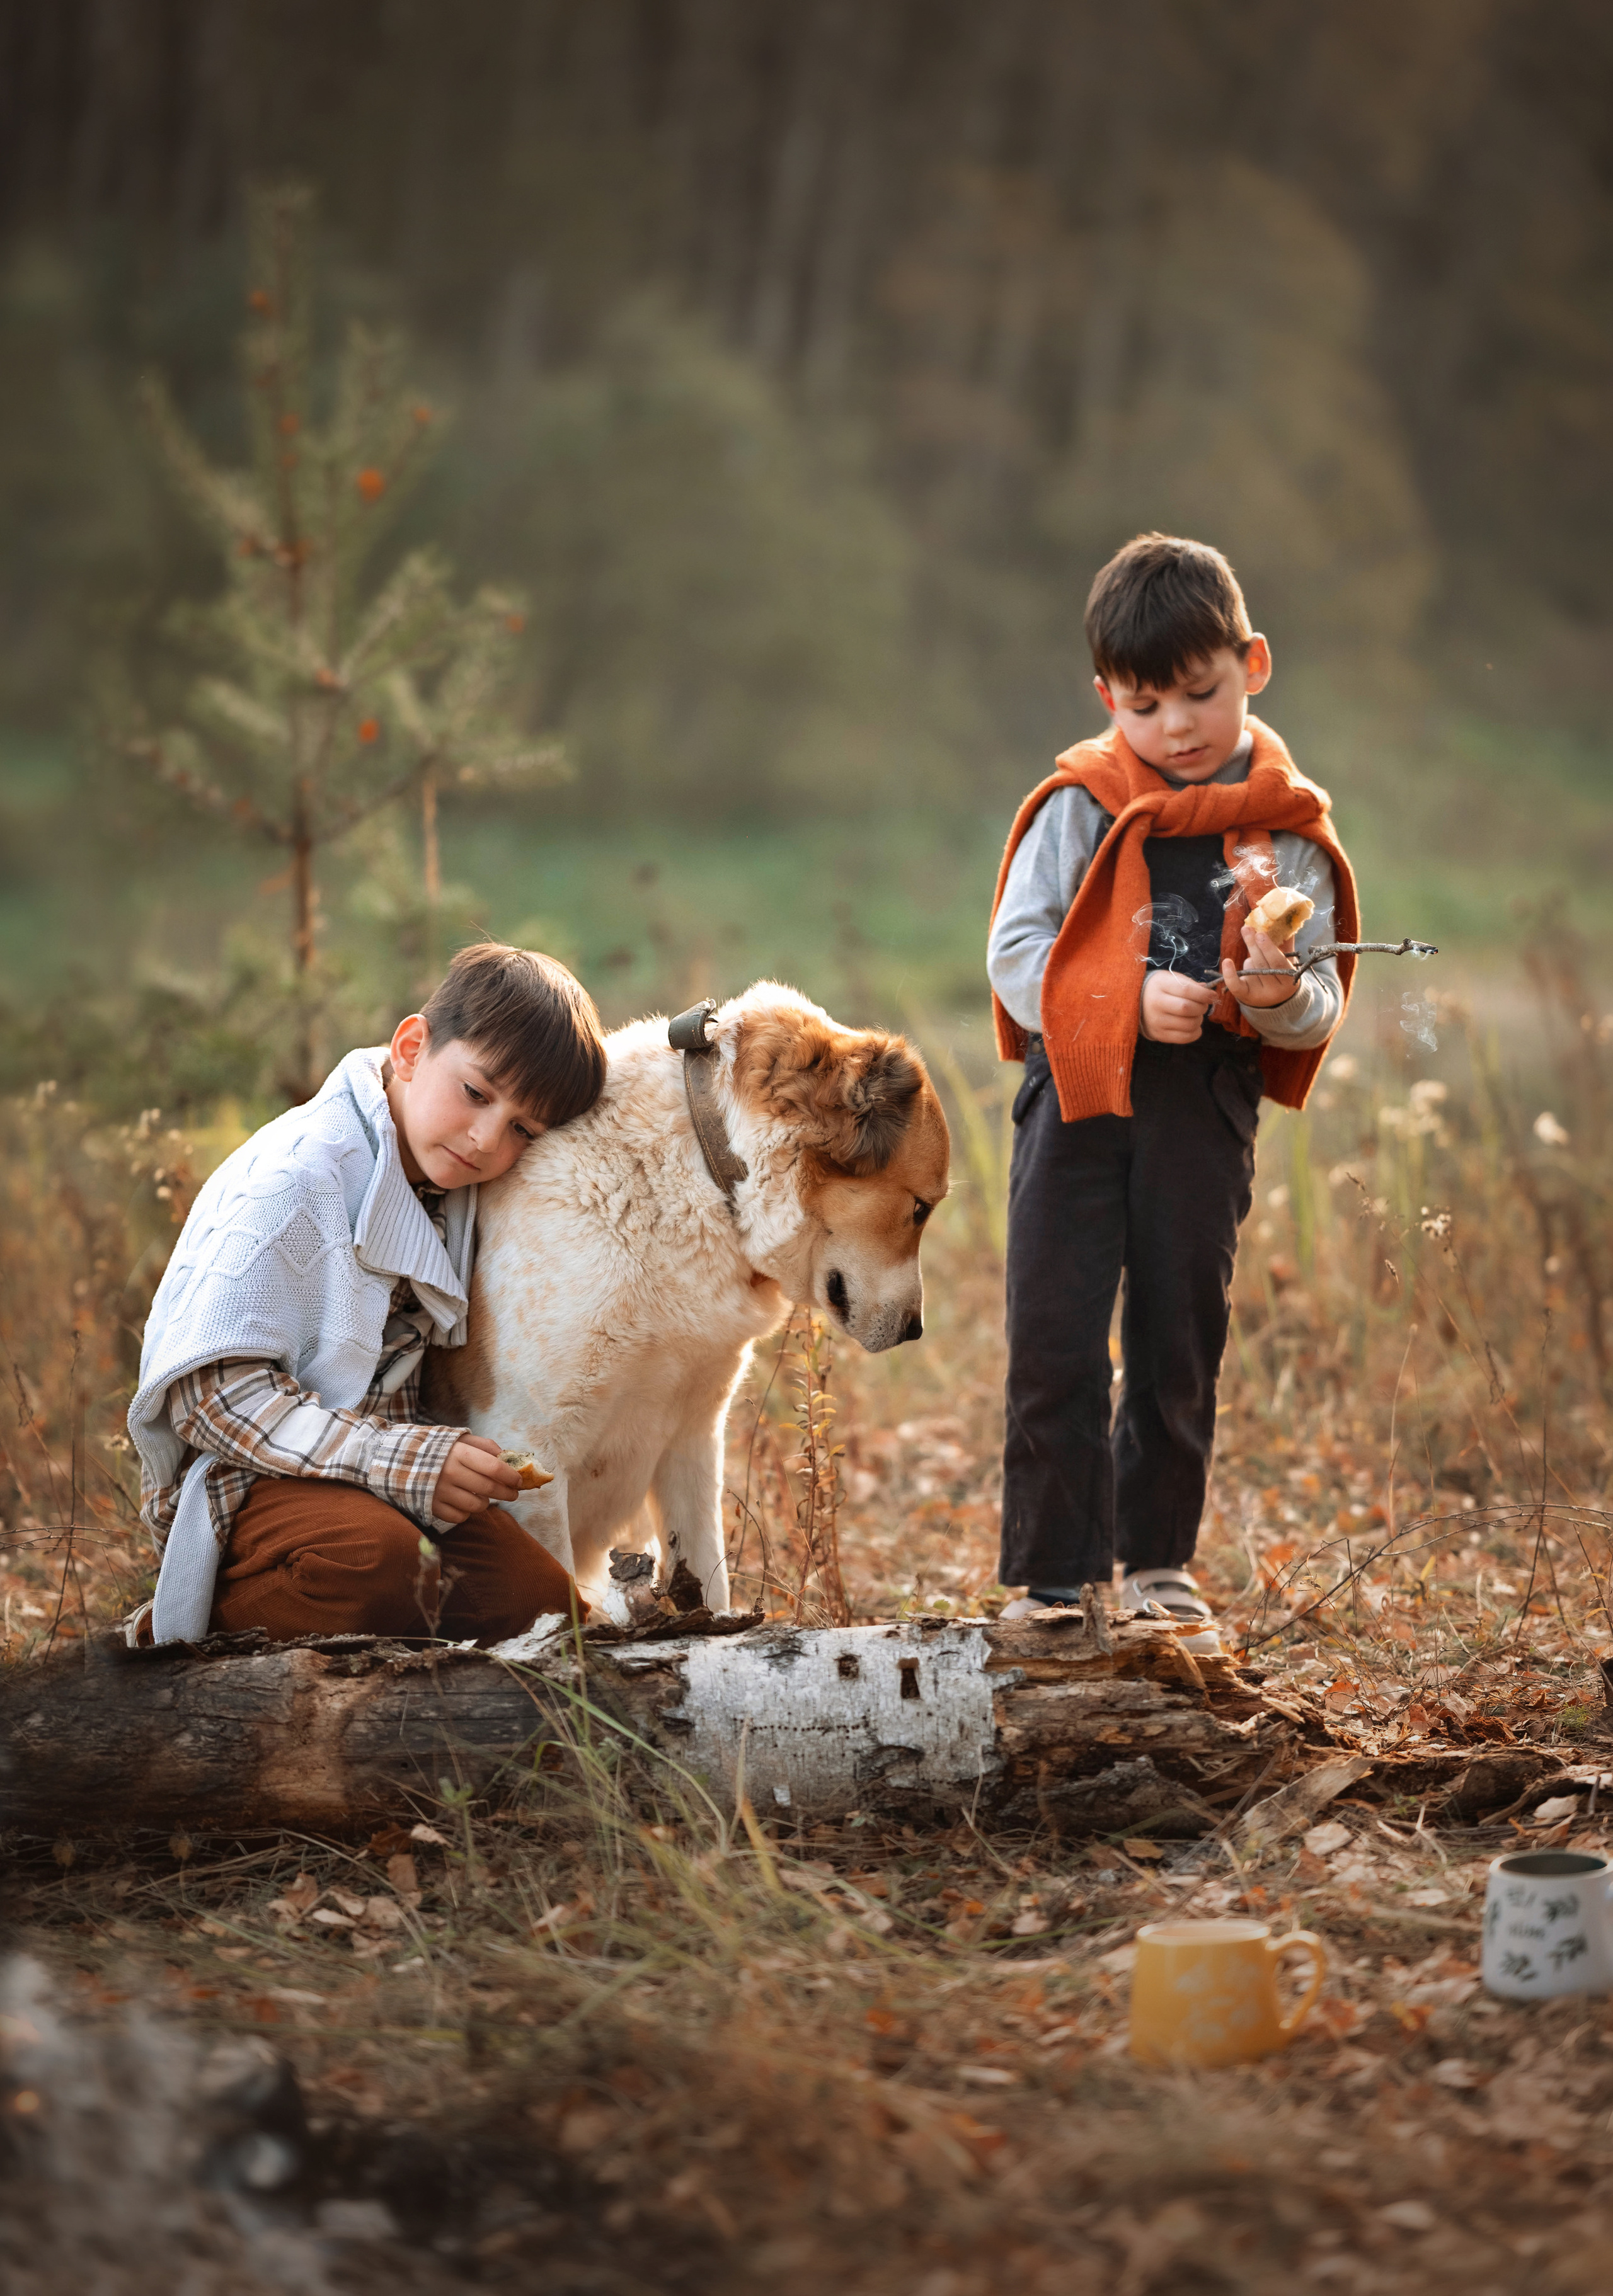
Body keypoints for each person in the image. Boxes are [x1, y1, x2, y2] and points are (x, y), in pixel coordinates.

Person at [986, 534, 1359, 1628]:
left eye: (1201, 694)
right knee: (1055, 1336)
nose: (1178, 728)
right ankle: (1055, 1576)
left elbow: (1321, 997)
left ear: (1254, 662)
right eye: (1145, 706)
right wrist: (1124, 998)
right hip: (1078, 1104)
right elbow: (1017, 961)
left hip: (1203, 1110)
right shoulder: (1081, 804)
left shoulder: (1288, 832)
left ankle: (1156, 1565)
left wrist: (1276, 989)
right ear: (1107, 697)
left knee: (1177, 1335)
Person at [128, 942, 607, 1646]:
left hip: (378, 1480)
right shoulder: (294, 1181)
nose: (484, 1139)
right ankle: (178, 1635)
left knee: (540, 1608)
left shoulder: (444, 1189)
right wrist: (400, 1460)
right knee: (372, 1568)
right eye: (476, 1093)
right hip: (257, 1481)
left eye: (521, 1130)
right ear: (411, 1048)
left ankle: (412, 1701)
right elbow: (210, 1398)